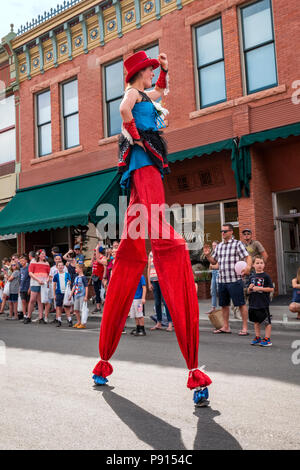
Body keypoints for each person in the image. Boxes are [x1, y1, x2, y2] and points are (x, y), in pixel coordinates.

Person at [92, 50, 211, 406]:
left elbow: (160, 93)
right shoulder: (132, 93)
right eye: (149, 70)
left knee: (132, 244)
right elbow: (124, 111)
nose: (151, 75)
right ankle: (193, 370)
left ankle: (102, 365)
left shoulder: (148, 93)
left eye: (152, 71)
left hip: (147, 166)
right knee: (165, 239)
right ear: (138, 72)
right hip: (143, 164)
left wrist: (169, 70)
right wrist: (137, 138)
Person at [203, 224, 252, 336]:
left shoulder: (237, 244)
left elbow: (247, 256)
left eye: (224, 231)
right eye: (221, 231)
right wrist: (207, 255)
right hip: (222, 280)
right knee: (224, 305)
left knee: (241, 304)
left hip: (235, 280)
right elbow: (214, 262)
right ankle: (226, 326)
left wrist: (248, 267)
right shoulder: (219, 246)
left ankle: (244, 328)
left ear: (231, 232)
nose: (222, 233)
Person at [248, 256, 274, 347]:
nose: (260, 265)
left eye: (261, 263)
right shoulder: (252, 277)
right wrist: (250, 288)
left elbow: (271, 289)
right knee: (256, 321)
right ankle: (258, 337)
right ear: (253, 265)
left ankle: (267, 339)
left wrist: (260, 288)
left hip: (263, 303)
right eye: (257, 263)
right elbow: (249, 291)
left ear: (264, 265)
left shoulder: (266, 276)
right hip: (253, 303)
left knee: (266, 321)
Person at [148, 251, 172, 331]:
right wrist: (149, 282)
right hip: (153, 280)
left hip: (162, 280)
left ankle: (170, 323)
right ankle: (159, 323)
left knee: (165, 302)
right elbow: (149, 268)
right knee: (157, 302)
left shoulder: (162, 251)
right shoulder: (151, 253)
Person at [26, 250, 50, 325]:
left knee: (40, 300)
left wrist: (47, 280)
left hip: (43, 284)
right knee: (32, 299)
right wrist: (38, 280)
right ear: (38, 255)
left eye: (44, 254)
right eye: (42, 254)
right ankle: (28, 317)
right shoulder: (33, 261)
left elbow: (49, 274)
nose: (44, 255)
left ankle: (40, 317)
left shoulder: (47, 263)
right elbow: (30, 273)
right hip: (35, 283)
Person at [53, 261, 72, 328]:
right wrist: (54, 294)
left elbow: (70, 282)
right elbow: (54, 285)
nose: (60, 266)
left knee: (67, 307)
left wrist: (69, 282)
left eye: (62, 265)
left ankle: (69, 320)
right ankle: (59, 320)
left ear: (63, 267)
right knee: (59, 307)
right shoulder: (55, 276)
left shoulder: (67, 274)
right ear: (57, 267)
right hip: (59, 292)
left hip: (66, 293)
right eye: (59, 265)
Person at [70, 263, 88, 329]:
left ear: (80, 269)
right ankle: (79, 321)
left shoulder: (83, 278)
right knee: (76, 310)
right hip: (76, 295)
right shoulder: (76, 277)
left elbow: (86, 287)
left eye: (76, 268)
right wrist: (71, 294)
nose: (75, 269)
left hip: (82, 295)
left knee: (82, 310)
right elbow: (74, 286)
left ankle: (83, 323)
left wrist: (86, 296)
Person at [90, 245, 106, 314]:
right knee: (97, 292)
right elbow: (91, 265)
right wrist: (92, 259)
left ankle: (103, 307)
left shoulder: (103, 258)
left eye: (95, 250)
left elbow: (104, 266)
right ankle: (98, 307)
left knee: (102, 293)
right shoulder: (96, 258)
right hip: (95, 277)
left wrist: (104, 277)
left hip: (100, 278)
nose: (94, 252)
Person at [206, 241, 219, 315]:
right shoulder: (212, 254)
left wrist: (213, 266)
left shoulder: (219, 253)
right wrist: (213, 266)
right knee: (213, 291)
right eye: (213, 246)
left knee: (219, 290)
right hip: (214, 274)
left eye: (215, 245)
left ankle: (222, 308)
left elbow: (217, 266)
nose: (214, 247)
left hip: (218, 274)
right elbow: (210, 267)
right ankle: (213, 308)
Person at [19, 255, 31, 320]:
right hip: (22, 288)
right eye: (20, 261)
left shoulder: (28, 268)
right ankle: (24, 315)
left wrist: (30, 288)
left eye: (23, 260)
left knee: (28, 302)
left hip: (27, 287)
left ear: (26, 261)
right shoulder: (20, 269)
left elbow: (31, 278)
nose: (21, 262)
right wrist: (19, 287)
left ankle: (29, 315)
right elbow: (20, 279)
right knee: (23, 301)